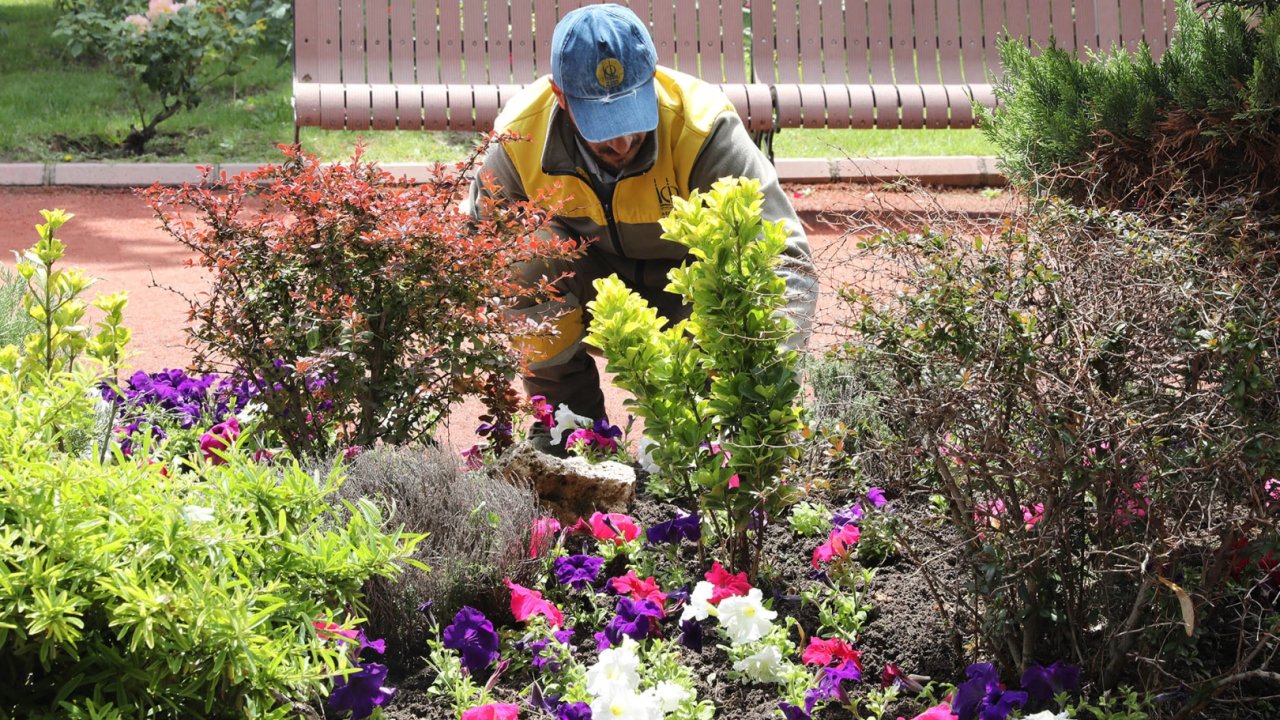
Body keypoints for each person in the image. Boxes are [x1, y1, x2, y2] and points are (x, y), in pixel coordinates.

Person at [466, 3, 818, 451]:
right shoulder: (519, 138)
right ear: (559, 96)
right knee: (516, 255)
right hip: (590, 296)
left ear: (651, 79)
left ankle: (716, 430)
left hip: (694, 301)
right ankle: (568, 425)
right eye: (602, 124)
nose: (621, 142)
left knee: (744, 278)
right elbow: (480, 251)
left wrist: (766, 383)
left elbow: (783, 260)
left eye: (632, 116)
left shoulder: (703, 125)